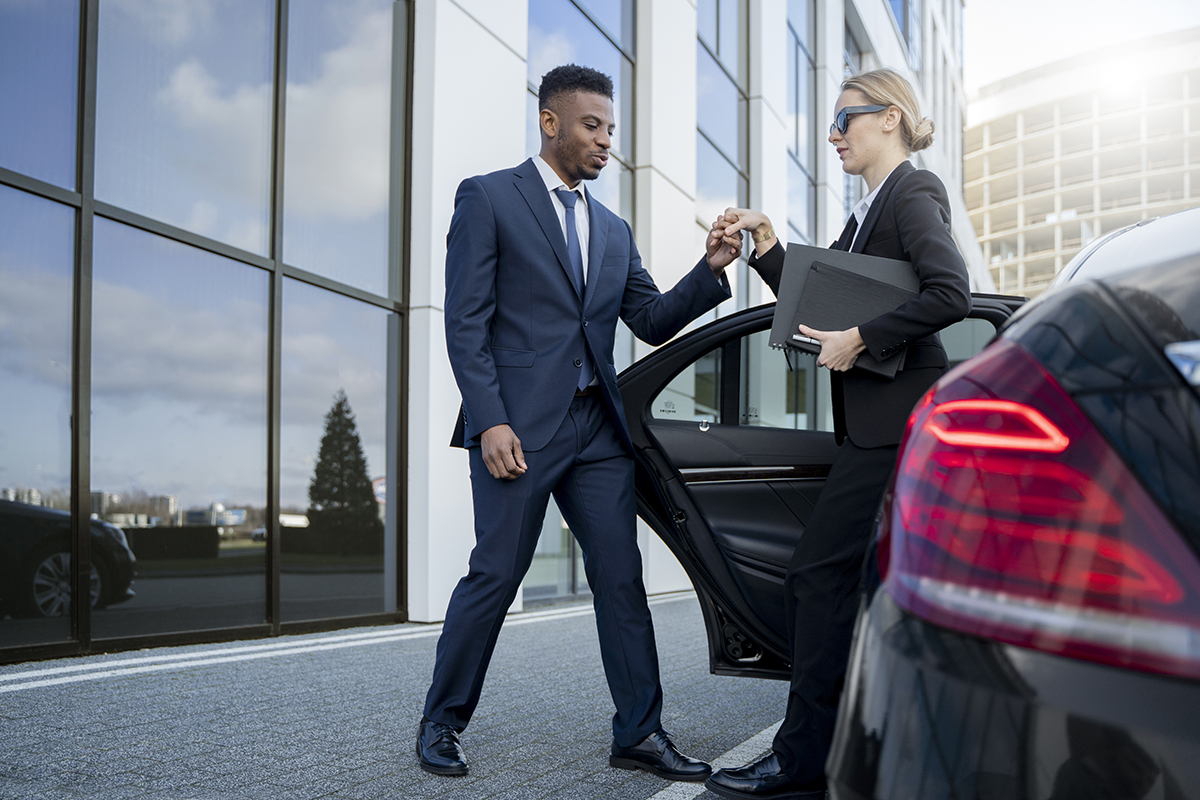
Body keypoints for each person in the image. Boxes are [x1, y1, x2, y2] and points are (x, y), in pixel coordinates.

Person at [417, 64, 741, 781]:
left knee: (620, 578)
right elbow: (465, 323)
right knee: (496, 574)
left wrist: (710, 267)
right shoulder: (490, 197)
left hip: (598, 430)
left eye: (612, 130)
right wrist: (491, 420)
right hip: (519, 430)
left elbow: (652, 321)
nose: (606, 142)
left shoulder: (613, 229)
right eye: (593, 126)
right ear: (551, 121)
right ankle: (441, 721)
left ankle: (640, 732)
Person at [704, 68, 972, 799]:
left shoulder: (913, 192)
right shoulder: (866, 212)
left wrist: (862, 337)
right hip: (870, 430)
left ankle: (800, 764)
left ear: (889, 119)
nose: (833, 136)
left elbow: (953, 291)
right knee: (856, 586)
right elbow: (817, 299)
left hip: (895, 428)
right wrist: (764, 246)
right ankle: (850, 749)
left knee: (815, 577)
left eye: (843, 121)